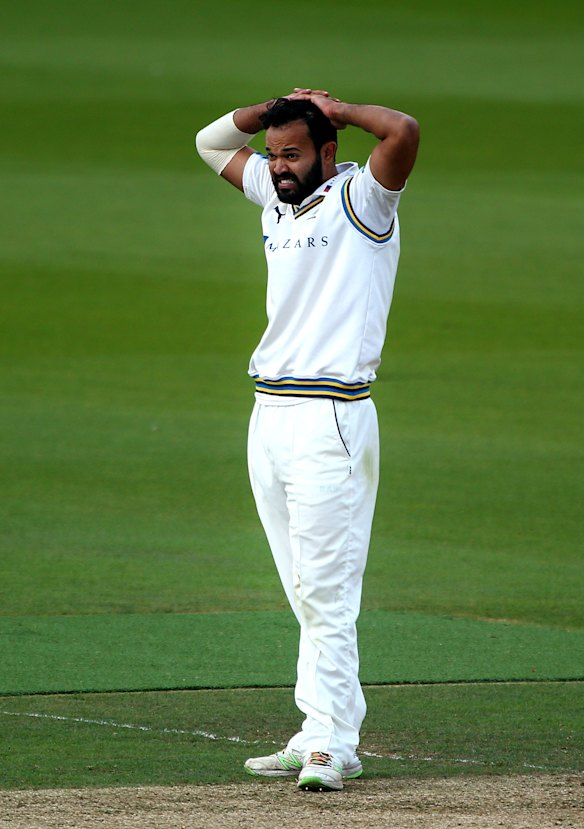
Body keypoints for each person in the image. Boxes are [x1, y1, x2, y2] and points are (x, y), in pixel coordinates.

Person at [195, 89, 419, 792]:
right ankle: (321, 726)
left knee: (325, 588)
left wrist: (341, 108)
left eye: (292, 154)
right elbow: (207, 143)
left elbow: (404, 131)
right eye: (272, 155)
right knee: (305, 586)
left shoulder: (363, 198)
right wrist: (264, 112)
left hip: (331, 414)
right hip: (269, 413)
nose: (278, 166)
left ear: (327, 152)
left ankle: (330, 744)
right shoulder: (277, 196)